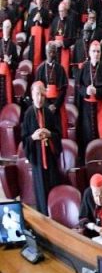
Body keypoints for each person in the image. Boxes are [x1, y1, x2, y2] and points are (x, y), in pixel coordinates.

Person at [21, 81, 61, 214]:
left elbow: (58, 133)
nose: (40, 98)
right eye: (37, 94)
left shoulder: (49, 113)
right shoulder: (28, 114)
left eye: (42, 95)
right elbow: (24, 139)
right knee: (41, 191)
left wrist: (49, 134)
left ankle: (55, 214)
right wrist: (33, 137)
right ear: (32, 95)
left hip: (50, 158)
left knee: (53, 187)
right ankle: (44, 216)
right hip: (38, 159)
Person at [75, 40, 102, 144]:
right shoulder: (84, 67)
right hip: (86, 107)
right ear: (89, 53)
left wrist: (97, 91)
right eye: (94, 51)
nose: (96, 54)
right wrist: (86, 91)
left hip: (100, 105)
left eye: (98, 51)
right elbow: (78, 86)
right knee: (86, 132)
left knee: (100, 132)